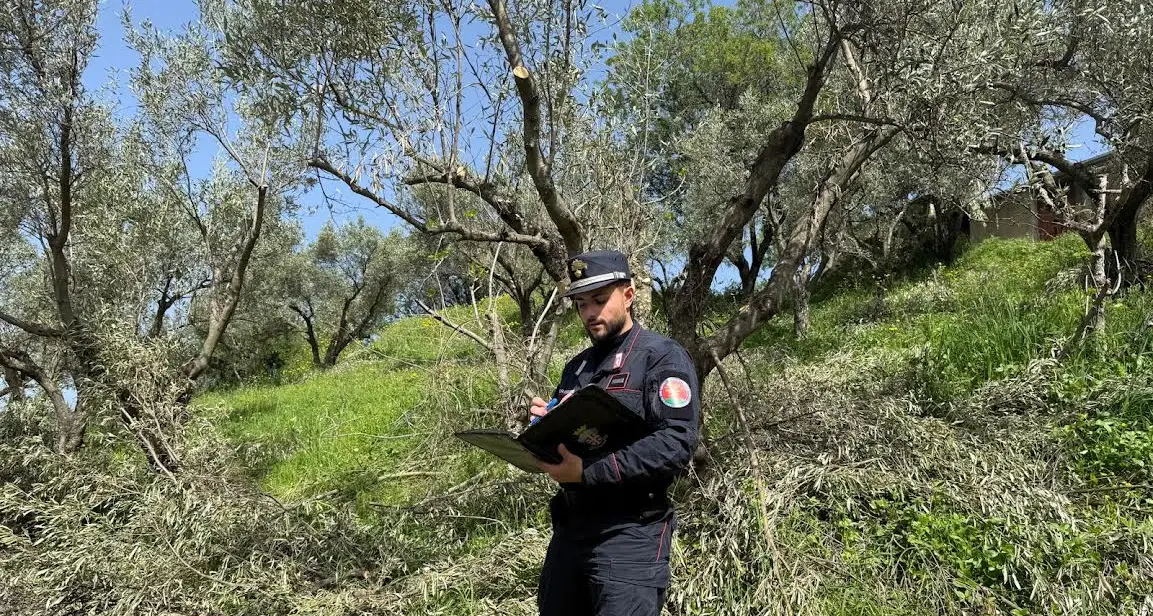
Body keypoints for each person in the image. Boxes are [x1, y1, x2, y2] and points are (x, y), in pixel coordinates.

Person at [528, 249, 700, 616]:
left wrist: (587, 472)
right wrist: (545, 426)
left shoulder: (661, 356)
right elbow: (573, 436)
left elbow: (676, 442)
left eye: (600, 300)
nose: (590, 312)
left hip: (630, 535)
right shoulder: (577, 367)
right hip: (570, 533)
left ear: (629, 295)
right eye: (581, 304)